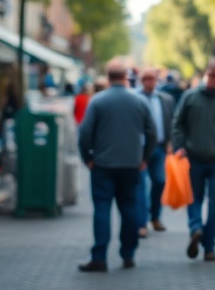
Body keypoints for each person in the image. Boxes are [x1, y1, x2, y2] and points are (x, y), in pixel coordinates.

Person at [77, 58, 157, 272]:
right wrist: (144, 158)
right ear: (126, 78)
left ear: (108, 78)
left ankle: (99, 257)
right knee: (129, 208)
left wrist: (87, 157)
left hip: (102, 165)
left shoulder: (98, 101)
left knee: (102, 209)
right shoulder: (139, 101)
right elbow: (152, 133)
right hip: (131, 165)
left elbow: (85, 133)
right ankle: (128, 254)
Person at [172, 59, 215, 262]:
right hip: (193, 159)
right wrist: (180, 146)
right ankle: (196, 228)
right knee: (194, 197)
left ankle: (209, 246)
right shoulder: (190, 97)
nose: (211, 78)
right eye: (209, 74)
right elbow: (177, 123)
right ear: (205, 74)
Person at [136, 67, 174, 237]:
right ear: (141, 80)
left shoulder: (166, 99)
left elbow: (172, 122)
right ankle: (141, 223)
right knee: (141, 186)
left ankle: (155, 216)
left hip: (159, 148)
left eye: (152, 78)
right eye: (146, 78)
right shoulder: (135, 99)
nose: (149, 82)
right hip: (140, 149)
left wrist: (171, 142)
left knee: (160, 181)